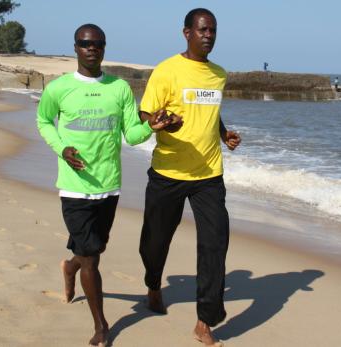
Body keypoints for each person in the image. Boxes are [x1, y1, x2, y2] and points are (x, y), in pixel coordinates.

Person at [36, 23, 170, 347]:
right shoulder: (59, 88)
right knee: (92, 258)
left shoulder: (119, 88)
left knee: (92, 250)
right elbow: (43, 122)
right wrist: (62, 149)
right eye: (85, 43)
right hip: (74, 187)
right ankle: (102, 325)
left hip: (109, 186)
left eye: (97, 43)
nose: (91, 48)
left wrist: (151, 127)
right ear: (76, 47)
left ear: (104, 47)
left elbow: (131, 134)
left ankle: (69, 268)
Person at [138, 8, 241, 347]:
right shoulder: (167, 70)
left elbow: (211, 109)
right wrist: (162, 120)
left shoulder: (219, 74)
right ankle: (154, 284)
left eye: (212, 30)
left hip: (209, 174)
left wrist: (224, 134)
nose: (208, 35)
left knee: (215, 244)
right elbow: (147, 111)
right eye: (202, 30)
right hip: (168, 171)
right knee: (155, 242)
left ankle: (205, 321)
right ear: (186, 33)